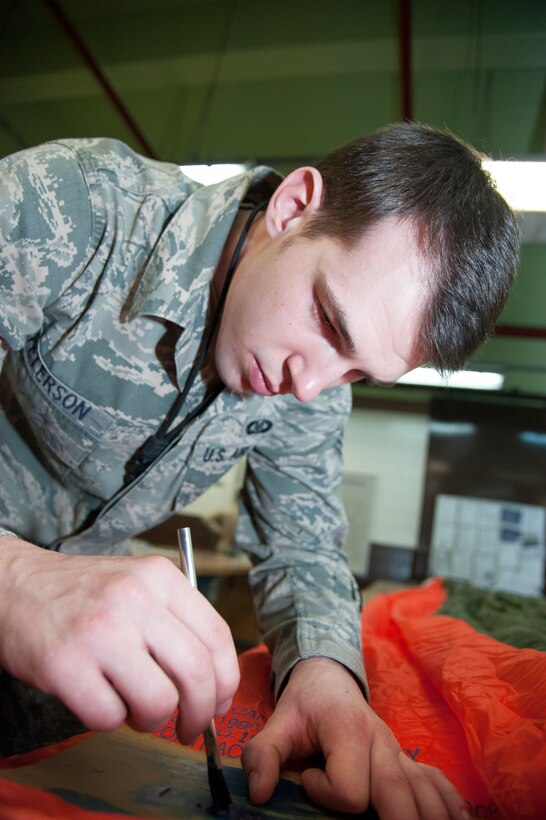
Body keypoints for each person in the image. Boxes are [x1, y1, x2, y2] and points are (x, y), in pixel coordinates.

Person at [0, 122, 519, 817]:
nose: (315, 387)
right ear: (294, 206)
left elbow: (301, 547)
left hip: (59, 686)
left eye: (359, 371)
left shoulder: (313, 381)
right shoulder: (76, 209)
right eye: (331, 324)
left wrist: (325, 678)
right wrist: (15, 578)